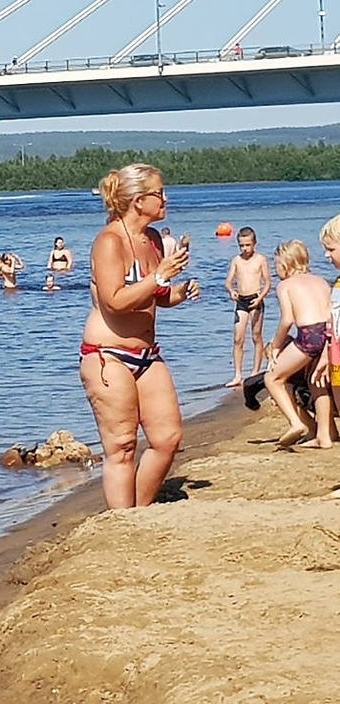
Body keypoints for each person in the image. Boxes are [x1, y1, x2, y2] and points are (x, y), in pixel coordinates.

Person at [79, 164, 199, 509]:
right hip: (107, 355)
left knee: (167, 437)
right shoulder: (109, 241)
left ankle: (137, 511)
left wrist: (178, 291)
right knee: (122, 445)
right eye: (159, 193)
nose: (166, 199)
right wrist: (160, 277)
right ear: (137, 200)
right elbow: (114, 302)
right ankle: (121, 520)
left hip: (146, 355)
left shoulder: (154, 239)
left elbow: (156, 296)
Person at [263, 240, 333, 449]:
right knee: (316, 381)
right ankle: (324, 436)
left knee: (273, 378)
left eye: (276, 266)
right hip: (328, 333)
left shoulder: (285, 285)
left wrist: (276, 346)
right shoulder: (321, 280)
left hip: (309, 334)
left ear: (285, 264)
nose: (276, 271)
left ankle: (296, 423)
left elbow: (287, 320)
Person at [223, 226, 271, 387]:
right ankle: (237, 374)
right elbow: (229, 280)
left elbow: (267, 283)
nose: (245, 248)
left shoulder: (260, 259)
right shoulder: (236, 260)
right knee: (238, 338)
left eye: (248, 245)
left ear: (254, 243)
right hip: (241, 301)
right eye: (242, 245)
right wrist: (231, 290)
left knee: (256, 335)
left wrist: (260, 298)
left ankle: (255, 371)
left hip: (256, 299)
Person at [313, 214, 340, 429]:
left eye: (331, 249)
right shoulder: (337, 284)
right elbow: (332, 327)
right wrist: (325, 357)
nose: (326, 255)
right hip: (336, 357)